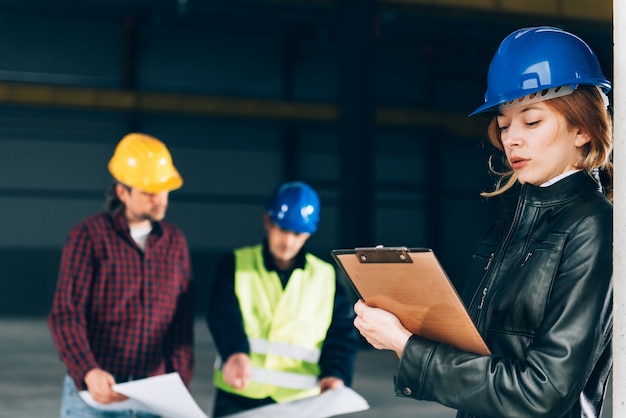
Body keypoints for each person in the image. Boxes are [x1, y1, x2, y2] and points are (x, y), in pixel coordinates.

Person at [353, 26, 613, 418]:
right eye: (505, 124)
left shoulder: (594, 227)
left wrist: (409, 347)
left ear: (582, 128)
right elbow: (482, 350)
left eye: (531, 121)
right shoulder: (511, 222)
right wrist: (403, 320)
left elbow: (543, 392)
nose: (511, 139)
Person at [48, 132, 194, 418]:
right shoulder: (88, 237)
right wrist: (87, 370)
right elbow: (66, 313)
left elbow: (181, 322)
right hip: (96, 396)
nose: (159, 199)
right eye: (149, 192)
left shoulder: (175, 243)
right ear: (122, 192)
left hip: (155, 396)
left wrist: (179, 380)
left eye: (163, 189)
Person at [206, 181, 360, 417]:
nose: (287, 241)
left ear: (308, 233)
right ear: (267, 221)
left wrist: (336, 373)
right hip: (239, 393)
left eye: (297, 233)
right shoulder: (235, 264)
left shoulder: (325, 277)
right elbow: (223, 316)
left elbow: (341, 335)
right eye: (281, 229)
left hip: (300, 402)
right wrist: (235, 352)